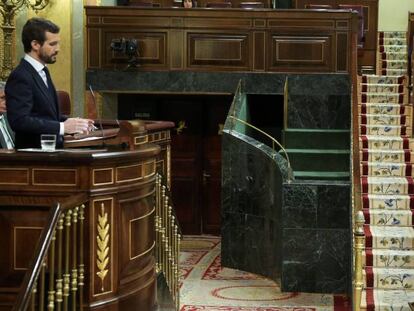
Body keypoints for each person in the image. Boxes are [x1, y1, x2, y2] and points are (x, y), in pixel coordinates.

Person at [5, 17, 94, 149]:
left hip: (51, 153)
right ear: (35, 45)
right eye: (52, 44)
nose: (57, 49)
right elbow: (19, 120)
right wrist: (63, 127)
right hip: (33, 158)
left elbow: (45, 115)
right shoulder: (20, 76)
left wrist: (73, 123)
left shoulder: (43, 71)